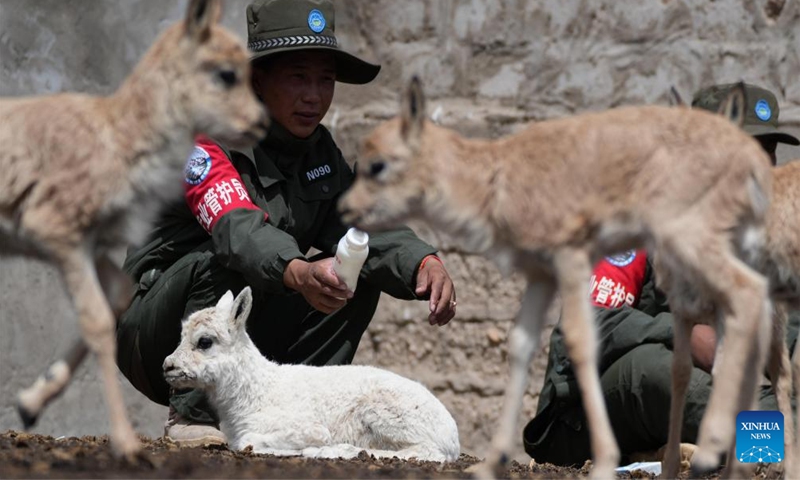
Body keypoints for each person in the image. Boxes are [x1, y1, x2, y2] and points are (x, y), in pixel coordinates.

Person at [116, 0, 457, 447]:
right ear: (258, 78)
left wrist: (420, 261)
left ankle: (301, 420)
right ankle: (191, 420)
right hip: (155, 330)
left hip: (240, 350)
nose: (314, 96)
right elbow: (238, 231)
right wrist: (298, 272)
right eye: (298, 77)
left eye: (326, 80)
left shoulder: (318, 153)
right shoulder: (204, 140)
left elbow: (359, 227)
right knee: (228, 263)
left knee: (352, 276)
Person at [522, 83, 800, 467]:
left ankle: (721, 452)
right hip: (584, 415)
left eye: (766, 153)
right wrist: (685, 334)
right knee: (660, 370)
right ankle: (764, 456)